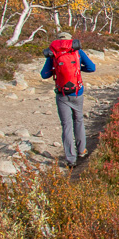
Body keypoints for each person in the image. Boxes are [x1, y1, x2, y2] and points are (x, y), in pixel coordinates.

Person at [41, 35, 97, 167]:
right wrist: (78, 67)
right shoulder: (77, 51)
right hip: (78, 92)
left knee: (66, 125)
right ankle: (82, 150)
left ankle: (71, 159)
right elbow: (92, 68)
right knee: (78, 120)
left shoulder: (53, 53)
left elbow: (44, 74)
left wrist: (56, 68)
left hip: (62, 94)